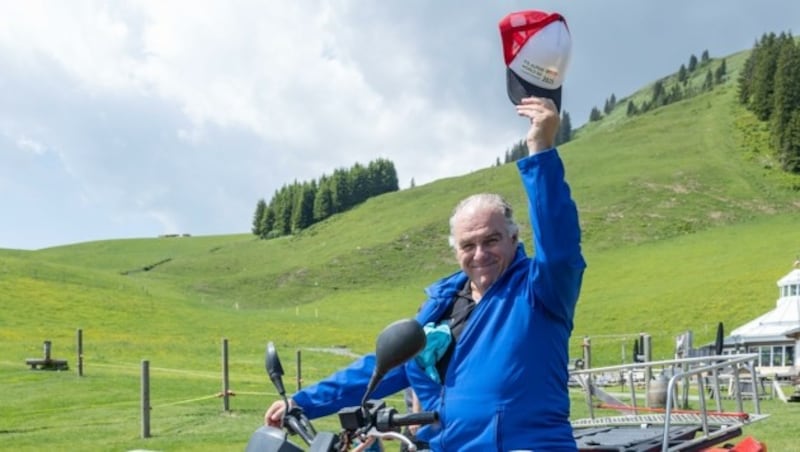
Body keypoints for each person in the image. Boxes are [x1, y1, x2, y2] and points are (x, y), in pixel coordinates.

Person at [265, 96, 586, 451]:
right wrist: (303, 402)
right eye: (468, 245)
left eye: (491, 240)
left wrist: (539, 150)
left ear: (514, 237)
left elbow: (560, 245)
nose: (480, 254)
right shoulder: (442, 306)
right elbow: (385, 366)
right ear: (455, 250)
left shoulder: (540, 291)